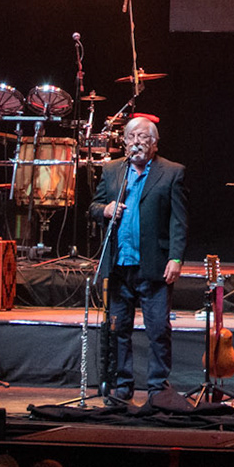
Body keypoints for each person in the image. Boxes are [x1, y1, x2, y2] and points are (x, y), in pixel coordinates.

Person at [88, 116, 187, 401]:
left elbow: (179, 221)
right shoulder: (112, 170)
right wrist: (105, 210)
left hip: (154, 264)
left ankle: (157, 387)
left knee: (158, 330)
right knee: (119, 329)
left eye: (143, 137)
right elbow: (93, 207)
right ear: (124, 142)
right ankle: (123, 385)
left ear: (155, 143)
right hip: (119, 265)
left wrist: (176, 258)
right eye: (131, 137)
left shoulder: (172, 172)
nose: (137, 142)